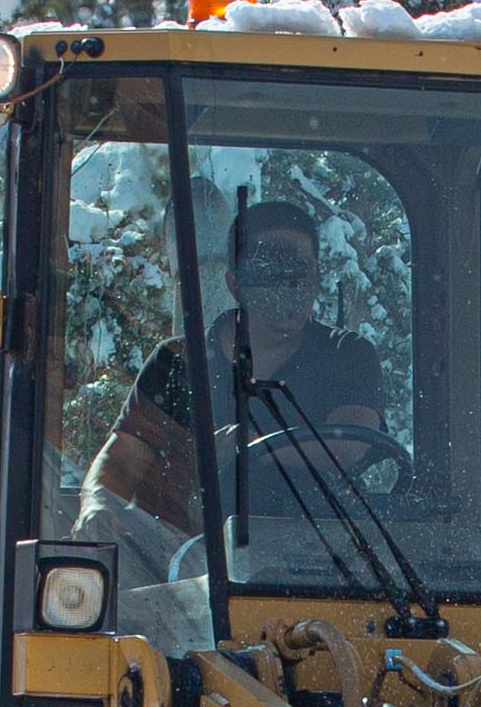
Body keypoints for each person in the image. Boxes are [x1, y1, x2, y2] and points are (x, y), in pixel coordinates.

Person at [86, 195, 391, 552]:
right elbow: (122, 461)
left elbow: (349, 444)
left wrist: (245, 442)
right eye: (272, 270)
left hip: (329, 574)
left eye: (301, 269)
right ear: (235, 284)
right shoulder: (178, 364)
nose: (290, 285)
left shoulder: (345, 355)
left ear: (317, 277)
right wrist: (96, 504)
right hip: (192, 578)